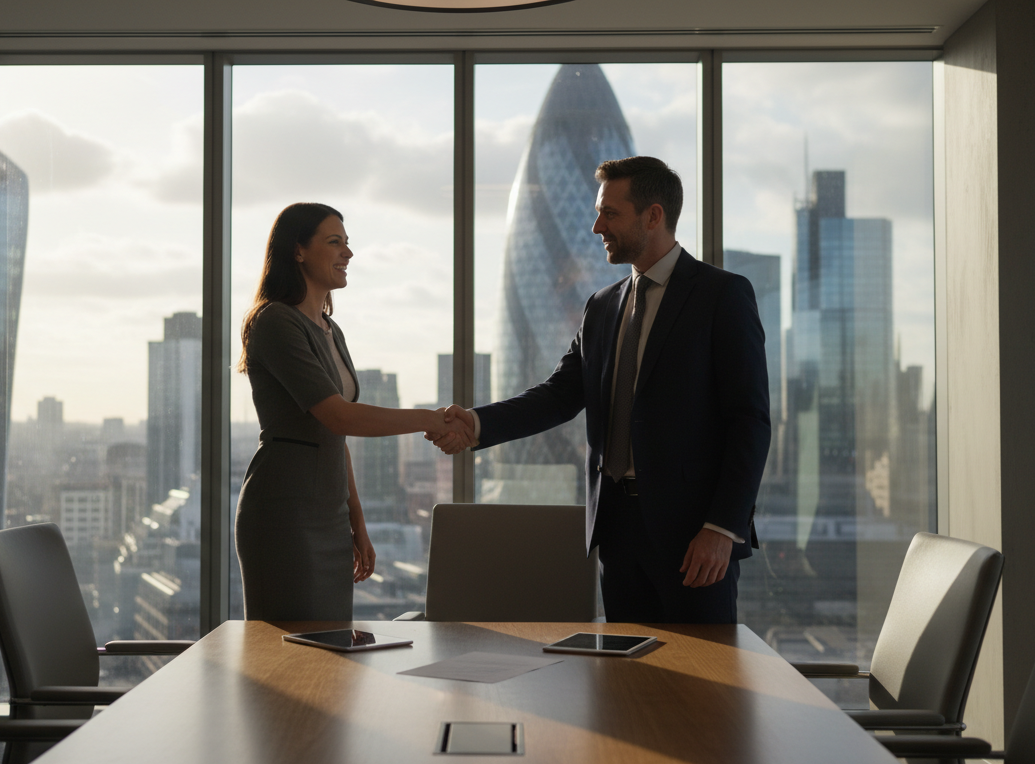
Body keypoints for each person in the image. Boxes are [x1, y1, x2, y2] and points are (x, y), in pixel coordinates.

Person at [436, 157, 770, 624]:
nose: (596, 226)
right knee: (625, 685)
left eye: (609, 213)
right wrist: (476, 423)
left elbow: (748, 421)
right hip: (616, 533)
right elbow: (558, 396)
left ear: (653, 216)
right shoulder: (602, 306)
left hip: (694, 540)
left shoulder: (722, 295)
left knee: (702, 686)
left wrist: (722, 528)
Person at [235, 202, 462, 621]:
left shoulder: (330, 329)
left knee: (330, 648)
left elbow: (334, 439)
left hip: (329, 513)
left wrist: (355, 519)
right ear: (298, 250)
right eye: (334, 242)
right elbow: (339, 417)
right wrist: (431, 419)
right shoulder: (274, 322)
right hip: (285, 511)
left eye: (347, 243)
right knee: (289, 658)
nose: (348, 254)